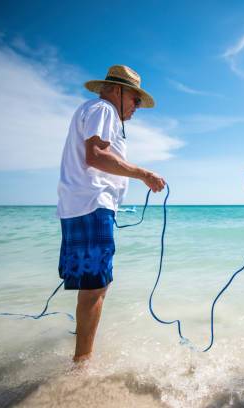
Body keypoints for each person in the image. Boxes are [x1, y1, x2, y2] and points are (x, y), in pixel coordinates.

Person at [56, 65, 166, 363]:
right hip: (93, 204)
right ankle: (82, 364)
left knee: (91, 286)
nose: (137, 107)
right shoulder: (104, 109)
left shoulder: (90, 109)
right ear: (118, 91)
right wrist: (144, 174)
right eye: (136, 99)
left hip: (77, 206)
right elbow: (97, 156)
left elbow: (92, 155)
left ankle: (81, 354)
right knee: (97, 287)